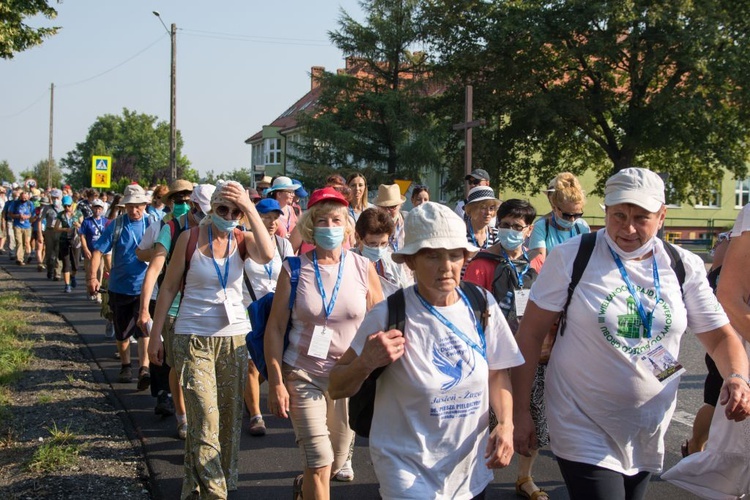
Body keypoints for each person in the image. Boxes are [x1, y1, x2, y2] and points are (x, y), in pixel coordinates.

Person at [511, 167, 750, 500]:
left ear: (662, 216)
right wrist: (519, 412)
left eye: (642, 217)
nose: (628, 228)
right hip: (581, 420)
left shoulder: (682, 265)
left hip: (647, 427)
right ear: (606, 211)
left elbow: (721, 336)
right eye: (618, 215)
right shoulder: (573, 257)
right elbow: (530, 335)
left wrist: (737, 377)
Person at [329, 202, 524, 499]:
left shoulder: (481, 304)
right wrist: (365, 363)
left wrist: (507, 425)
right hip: (405, 466)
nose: (446, 267)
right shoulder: (389, 313)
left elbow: (497, 374)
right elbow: (335, 385)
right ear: (410, 261)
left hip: (469, 469)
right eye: (432, 256)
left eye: (455, 255)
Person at [150, 180, 274, 498]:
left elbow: (269, 253)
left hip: (233, 341)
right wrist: (154, 334)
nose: (229, 215)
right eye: (223, 208)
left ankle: (197, 485)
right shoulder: (189, 239)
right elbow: (167, 288)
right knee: (205, 419)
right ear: (211, 208)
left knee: (229, 424)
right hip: (192, 337)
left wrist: (249, 208)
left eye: (235, 211)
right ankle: (217, 493)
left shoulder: (242, 239)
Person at [265, 187, 383, 500]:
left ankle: (304, 489)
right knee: (319, 460)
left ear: (347, 226)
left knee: (335, 461)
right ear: (310, 225)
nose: (329, 227)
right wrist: (276, 381)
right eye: (322, 220)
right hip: (303, 374)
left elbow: (380, 323)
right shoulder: (293, 269)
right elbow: (275, 328)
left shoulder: (363, 268)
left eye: (336, 220)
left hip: (349, 377)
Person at [463, 199, 548, 499]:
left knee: (533, 414)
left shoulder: (537, 265)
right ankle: (475, 474)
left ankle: (525, 476)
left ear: (529, 231)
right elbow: (469, 308)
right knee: (482, 417)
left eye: (518, 226)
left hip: (528, 352)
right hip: (490, 354)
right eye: (506, 225)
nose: (511, 231)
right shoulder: (482, 262)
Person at [140, 183, 214, 440]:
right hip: (175, 309)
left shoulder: (218, 228)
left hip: (207, 310)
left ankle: (203, 415)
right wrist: (145, 310)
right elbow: (154, 268)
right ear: (194, 207)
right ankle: (182, 416)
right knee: (180, 366)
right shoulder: (171, 228)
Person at [87, 184, 154, 387]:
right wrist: (92, 277)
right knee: (122, 330)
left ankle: (144, 369)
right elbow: (98, 252)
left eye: (138, 206)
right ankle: (126, 366)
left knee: (144, 329)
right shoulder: (116, 225)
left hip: (145, 287)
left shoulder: (153, 224)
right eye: (131, 206)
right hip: (119, 286)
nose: (135, 210)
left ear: (144, 205)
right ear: (125, 206)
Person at [241, 198, 295, 437]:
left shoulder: (284, 246)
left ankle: (245, 393)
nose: (272, 222)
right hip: (248, 309)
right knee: (251, 363)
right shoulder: (243, 242)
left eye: (276, 217)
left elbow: (293, 278)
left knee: (271, 362)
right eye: (266, 216)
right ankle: (255, 415)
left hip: (276, 310)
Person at [528, 172, 590, 261]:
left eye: (577, 215)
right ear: (554, 207)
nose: (572, 219)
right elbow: (538, 264)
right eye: (566, 215)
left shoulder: (582, 226)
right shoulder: (541, 227)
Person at [354, 207, 413, 298]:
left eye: (383, 243)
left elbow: (407, 295)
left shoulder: (393, 262)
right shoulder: (347, 263)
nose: (378, 249)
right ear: (358, 237)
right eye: (372, 244)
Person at [79, 198, 107, 302]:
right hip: (90, 250)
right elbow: (82, 235)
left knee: (100, 271)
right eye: (95, 208)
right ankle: (90, 290)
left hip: (101, 251)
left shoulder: (105, 221)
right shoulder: (87, 221)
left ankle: (98, 293)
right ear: (92, 208)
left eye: (99, 208)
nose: (97, 210)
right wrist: (85, 248)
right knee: (89, 272)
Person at [54, 195, 82, 293]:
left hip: (75, 241)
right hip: (64, 240)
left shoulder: (78, 214)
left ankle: (73, 276)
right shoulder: (61, 215)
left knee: (75, 265)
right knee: (66, 264)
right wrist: (65, 229)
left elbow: (83, 227)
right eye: (65, 206)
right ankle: (67, 285)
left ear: (72, 205)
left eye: (68, 206)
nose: (67, 208)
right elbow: (56, 228)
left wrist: (78, 225)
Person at [463, 186, 501, 251]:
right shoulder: (461, 234)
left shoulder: (496, 234)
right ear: (471, 209)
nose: (488, 212)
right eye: (483, 208)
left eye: (491, 208)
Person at [373, 184, 407, 252]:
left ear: (400, 205)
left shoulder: (408, 221)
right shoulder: (372, 226)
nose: (388, 211)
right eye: (384, 207)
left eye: (392, 207)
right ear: (377, 207)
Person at [8, 189, 35, 265]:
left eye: (25, 198)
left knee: (26, 242)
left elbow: (33, 215)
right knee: (19, 242)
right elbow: (10, 214)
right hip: (17, 225)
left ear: (28, 198)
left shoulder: (30, 204)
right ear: (20, 197)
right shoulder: (15, 203)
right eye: (22, 198)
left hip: (27, 226)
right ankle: (19, 259)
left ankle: (28, 256)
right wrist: (18, 216)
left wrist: (28, 217)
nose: (24, 200)